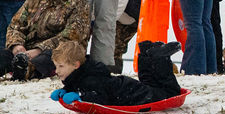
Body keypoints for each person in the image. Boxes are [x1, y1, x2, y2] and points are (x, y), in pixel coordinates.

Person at [50, 40, 182, 108]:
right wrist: (65, 90)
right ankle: (149, 52)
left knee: (171, 94)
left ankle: (160, 58)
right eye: (56, 66)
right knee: (150, 84)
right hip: (128, 90)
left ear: (76, 65)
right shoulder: (79, 74)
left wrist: (80, 96)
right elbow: (78, 84)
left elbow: (100, 97)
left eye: (61, 66)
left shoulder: (90, 78)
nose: (57, 71)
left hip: (131, 94)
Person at [112, 0, 143, 73]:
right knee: (113, 48)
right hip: (119, 15)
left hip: (135, 15)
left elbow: (120, 5)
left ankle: (114, 74)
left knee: (115, 48)